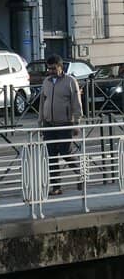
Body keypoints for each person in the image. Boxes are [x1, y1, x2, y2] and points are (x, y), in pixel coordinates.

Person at [38, 55, 84, 196]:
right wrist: (40, 123)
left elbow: (76, 102)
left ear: (60, 67)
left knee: (65, 152)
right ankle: (56, 187)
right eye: (49, 68)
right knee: (52, 156)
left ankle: (80, 174)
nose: (51, 71)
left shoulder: (70, 81)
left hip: (65, 123)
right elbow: (42, 102)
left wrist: (76, 123)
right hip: (49, 124)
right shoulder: (46, 82)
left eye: (53, 68)